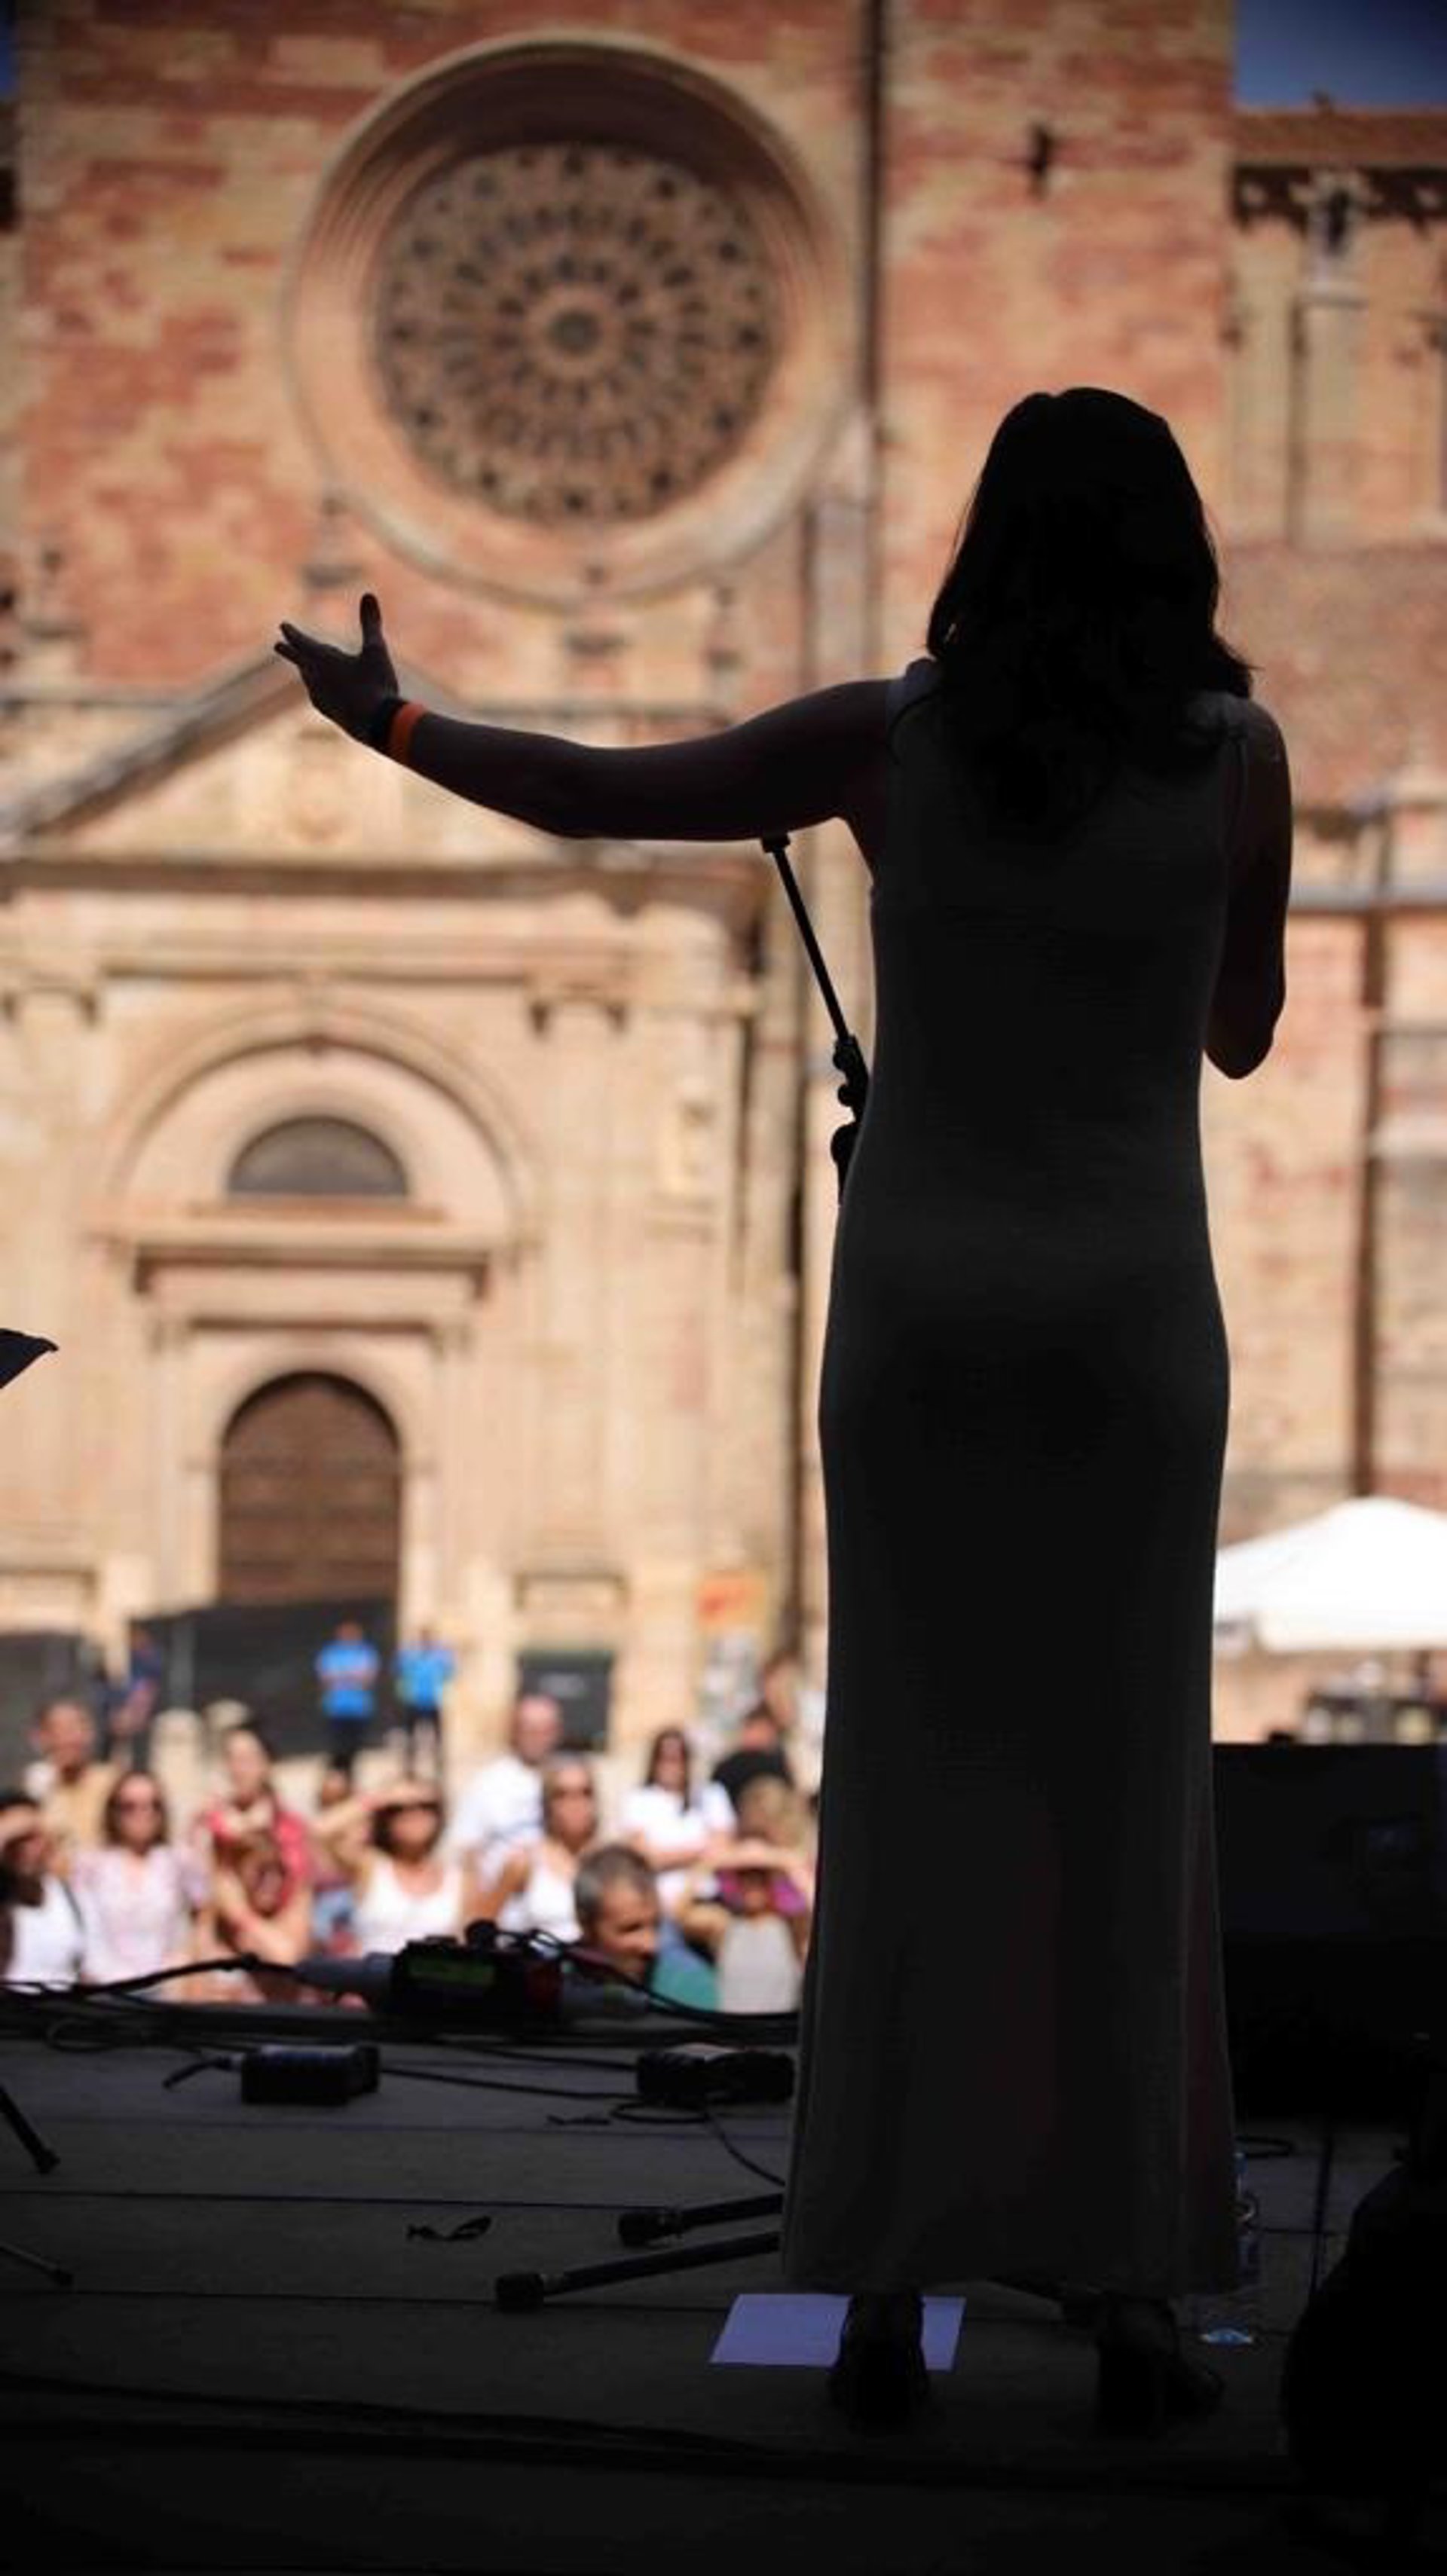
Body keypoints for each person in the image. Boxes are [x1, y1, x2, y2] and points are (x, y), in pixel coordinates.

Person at [276, 390, 1286, 2426]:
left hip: (923, 1314)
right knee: (1117, 1801)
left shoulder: (888, 742)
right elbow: (1245, 1033)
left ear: (990, 545)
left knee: (912, 1787)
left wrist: (390, 722)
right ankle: (1129, 2299)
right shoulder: (1236, 757)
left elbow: (595, 791)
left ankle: (888, 2286)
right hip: (1127, 1326)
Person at [71, 1770, 207, 1988]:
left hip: (166, 1985)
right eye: (129, 1806)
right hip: (106, 1987)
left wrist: (190, 1958)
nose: (143, 1814)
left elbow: (204, 1913)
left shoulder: (178, 1859)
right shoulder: (91, 1863)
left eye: (154, 1805)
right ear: (113, 1811)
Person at [309, 1774, 470, 1953]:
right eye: (399, 1809)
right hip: (375, 1970)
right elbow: (317, 1832)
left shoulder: (458, 1877)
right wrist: (378, 1798)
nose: (415, 1814)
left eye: (426, 1806)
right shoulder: (370, 1867)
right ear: (385, 1818)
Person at [467, 1752, 601, 1948]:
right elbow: (480, 1928)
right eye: (562, 1795)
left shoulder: (609, 1862)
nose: (575, 1804)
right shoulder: (524, 1862)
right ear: (547, 1803)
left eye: (585, 1793)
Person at [571, 1844, 719, 2012]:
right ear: (587, 1926)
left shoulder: (690, 1984)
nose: (651, 1945)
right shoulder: (553, 1986)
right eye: (631, 1929)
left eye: (657, 1925)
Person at [442, 1691, 564, 1883]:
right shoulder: (488, 1783)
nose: (537, 1737)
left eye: (545, 1730)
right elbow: (466, 1848)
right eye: (529, 1730)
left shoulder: (570, 1779)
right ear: (513, 1731)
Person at [618, 1726, 727, 1922]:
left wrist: (668, 1855)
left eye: (678, 1757)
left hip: (705, 1900)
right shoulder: (639, 1799)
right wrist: (698, 1851)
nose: (671, 1765)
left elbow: (722, 1850)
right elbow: (645, 1858)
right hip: (660, 1905)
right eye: (665, 1758)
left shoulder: (711, 1795)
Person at [23, 1697, 121, 1880]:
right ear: (41, 1738)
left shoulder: (113, 1783)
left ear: (89, 1734)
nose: (66, 1739)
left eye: (74, 1729)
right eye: (56, 1731)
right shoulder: (38, 1784)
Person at [0, 1790, 87, 1987]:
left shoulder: (68, 1894)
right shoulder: (4, 1900)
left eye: (32, 1836)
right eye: (15, 1840)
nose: (25, 1848)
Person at [314, 1619, 380, 1778]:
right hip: (336, 1708)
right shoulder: (331, 1653)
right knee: (336, 1748)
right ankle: (335, 1778)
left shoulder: (365, 1652)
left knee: (355, 1748)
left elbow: (367, 1678)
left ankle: (349, 1778)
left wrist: (342, 1675)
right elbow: (326, 1678)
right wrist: (352, 1675)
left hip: (359, 1709)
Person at [391, 1625, 455, 1777]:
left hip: (433, 1700)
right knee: (410, 1738)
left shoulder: (439, 1655)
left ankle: (438, 1770)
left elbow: (449, 1672)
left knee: (437, 1739)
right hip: (413, 1700)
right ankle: (409, 1768)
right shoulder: (410, 1654)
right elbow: (398, 1670)